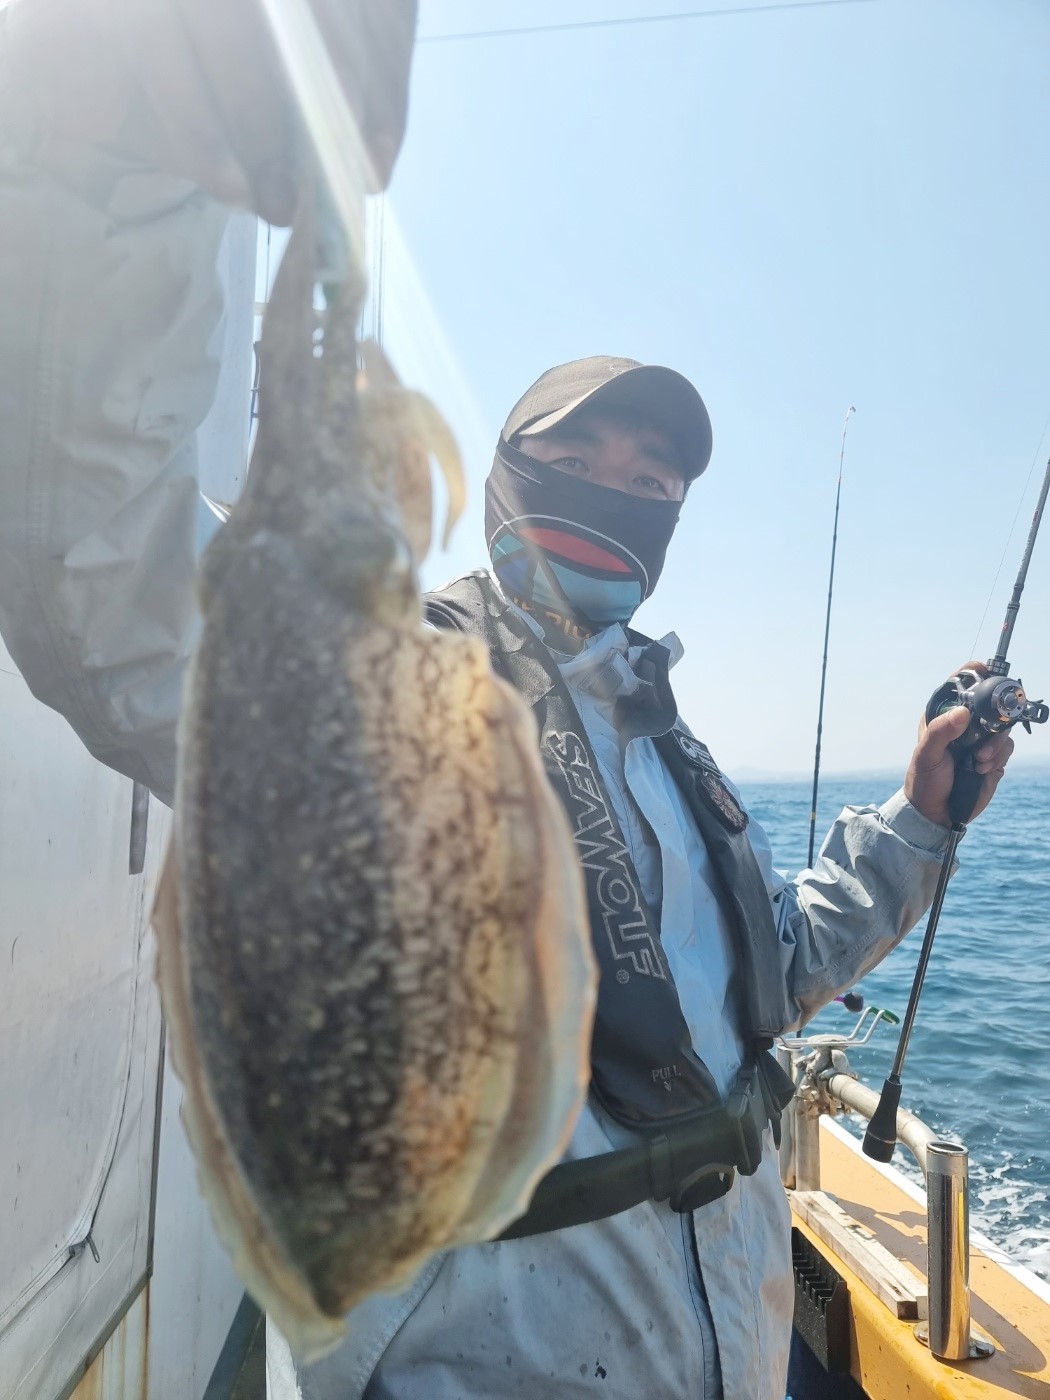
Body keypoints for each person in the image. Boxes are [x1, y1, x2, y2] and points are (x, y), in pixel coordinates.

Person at [0, 7, 1015, 1399]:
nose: (621, 493)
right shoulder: (388, 684)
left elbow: (769, 971)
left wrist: (916, 820)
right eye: (578, 459)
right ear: (502, 477)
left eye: (653, 481)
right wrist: (128, 145)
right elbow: (100, 560)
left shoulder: (669, 742)